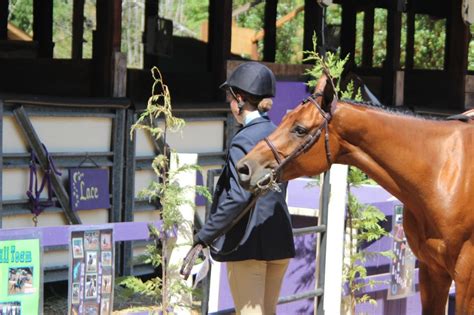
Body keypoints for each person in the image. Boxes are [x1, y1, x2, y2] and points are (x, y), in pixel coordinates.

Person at [193, 62, 295, 314]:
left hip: (249, 244)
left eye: (230, 98)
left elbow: (238, 195)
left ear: (239, 99)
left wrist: (204, 236)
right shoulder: (277, 133)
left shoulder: (244, 139)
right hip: (279, 240)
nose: (229, 105)